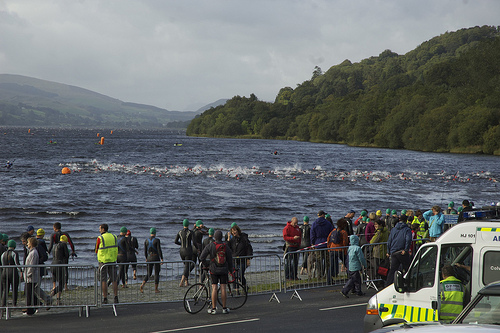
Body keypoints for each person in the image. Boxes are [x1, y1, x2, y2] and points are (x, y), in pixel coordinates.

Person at [199, 230, 233, 315]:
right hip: (224, 269)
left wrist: (207, 264)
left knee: (214, 287)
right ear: (221, 237)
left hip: (213, 269)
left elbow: (201, 257)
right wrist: (230, 270)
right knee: (223, 288)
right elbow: (230, 259)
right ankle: (224, 308)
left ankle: (213, 309)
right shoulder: (225, 246)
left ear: (214, 237)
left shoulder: (210, 246)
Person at [95, 224, 118, 304]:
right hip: (112, 260)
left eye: (100, 229)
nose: (99, 230)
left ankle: (105, 298)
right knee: (114, 279)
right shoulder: (114, 236)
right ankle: (115, 297)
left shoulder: (100, 238)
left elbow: (96, 249)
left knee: (103, 280)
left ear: (103, 229)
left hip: (103, 261)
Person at [385, 217, 412, 287]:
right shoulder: (407, 229)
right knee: (407, 268)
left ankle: (387, 285)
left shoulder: (393, 229)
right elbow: (408, 240)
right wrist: (406, 249)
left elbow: (389, 241)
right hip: (402, 251)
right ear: (406, 221)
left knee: (393, 270)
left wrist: (388, 251)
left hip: (394, 252)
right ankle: (409, 283)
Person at [228, 225, 253, 290]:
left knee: (240, 275)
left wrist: (248, 258)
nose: (234, 232)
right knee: (234, 275)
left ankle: (244, 285)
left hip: (242, 260)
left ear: (238, 231)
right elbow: (227, 248)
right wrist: (228, 240)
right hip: (234, 260)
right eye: (232, 231)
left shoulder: (244, 239)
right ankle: (236, 289)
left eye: (235, 231)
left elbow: (249, 248)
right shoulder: (232, 240)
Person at [310, 210, 334, 277]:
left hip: (318, 244)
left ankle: (319, 275)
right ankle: (328, 275)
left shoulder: (314, 224)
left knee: (319, 261)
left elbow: (312, 234)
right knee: (327, 261)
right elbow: (332, 233)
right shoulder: (328, 223)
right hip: (326, 244)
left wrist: (312, 243)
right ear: (323, 215)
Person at [140, 228, 163, 293]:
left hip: (149, 257)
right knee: (156, 273)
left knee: (149, 273)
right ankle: (156, 289)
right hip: (156, 257)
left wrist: (146, 258)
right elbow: (159, 250)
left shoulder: (146, 241)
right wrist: (161, 258)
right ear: (155, 233)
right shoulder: (157, 240)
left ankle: (142, 284)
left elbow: (145, 251)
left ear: (150, 233)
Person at [1, 240, 21, 313]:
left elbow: (2, 264)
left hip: (4, 272)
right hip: (12, 272)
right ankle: (14, 304)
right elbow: (17, 263)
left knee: (5, 289)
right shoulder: (14, 253)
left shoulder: (3, 254)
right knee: (14, 288)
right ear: (14, 246)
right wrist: (21, 271)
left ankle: (3, 305)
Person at [175, 219, 195, 287]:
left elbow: (175, 241)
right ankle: (182, 281)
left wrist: (181, 244)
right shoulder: (190, 232)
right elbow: (194, 242)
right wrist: (198, 248)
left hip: (181, 251)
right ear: (188, 224)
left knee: (186, 266)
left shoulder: (179, 232)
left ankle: (186, 282)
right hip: (188, 250)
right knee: (187, 267)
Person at [51, 235, 69, 304]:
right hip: (59, 264)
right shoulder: (63, 245)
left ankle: (58, 299)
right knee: (61, 283)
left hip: (53, 264)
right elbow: (66, 255)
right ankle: (52, 294)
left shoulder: (54, 245)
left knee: (56, 280)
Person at [24, 237, 40, 315]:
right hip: (29, 277)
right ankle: (37, 305)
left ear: (31, 244)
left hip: (31, 277)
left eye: (28, 242)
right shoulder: (31, 252)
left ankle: (30, 309)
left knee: (29, 293)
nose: (27, 244)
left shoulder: (34, 253)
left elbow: (32, 265)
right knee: (30, 293)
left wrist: (28, 274)